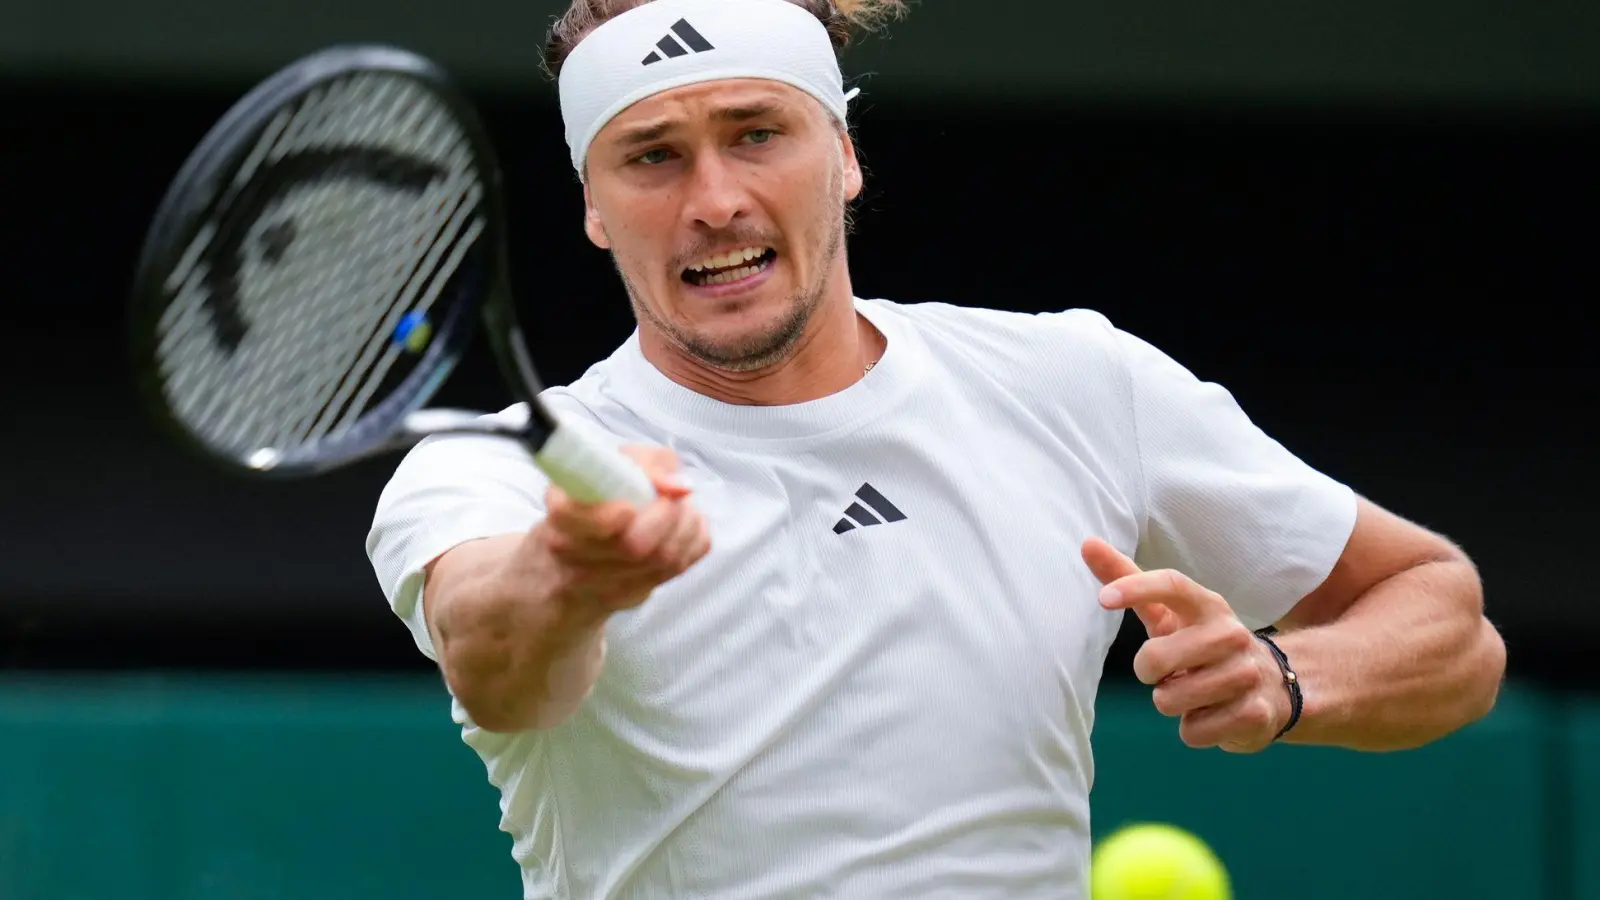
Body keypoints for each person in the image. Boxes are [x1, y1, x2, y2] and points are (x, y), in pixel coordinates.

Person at [364, 0, 1507, 895]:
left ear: (845, 156)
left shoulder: (1075, 383)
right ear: (594, 207)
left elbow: (1445, 621)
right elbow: (499, 666)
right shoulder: (490, 473)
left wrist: (1284, 674)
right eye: (653, 156)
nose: (713, 199)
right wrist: (576, 573)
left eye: (757, 133)